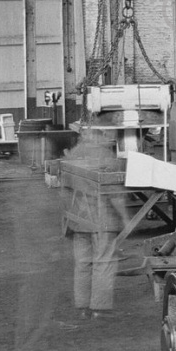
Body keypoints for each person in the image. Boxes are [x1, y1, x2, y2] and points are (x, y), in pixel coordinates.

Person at [60, 120, 131, 319]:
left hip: (77, 219)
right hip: (102, 220)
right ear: (100, 135)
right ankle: (100, 308)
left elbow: (64, 191)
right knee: (104, 261)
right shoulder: (107, 157)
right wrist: (126, 218)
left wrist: (67, 219)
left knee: (83, 263)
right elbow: (115, 194)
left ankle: (83, 307)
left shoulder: (72, 154)